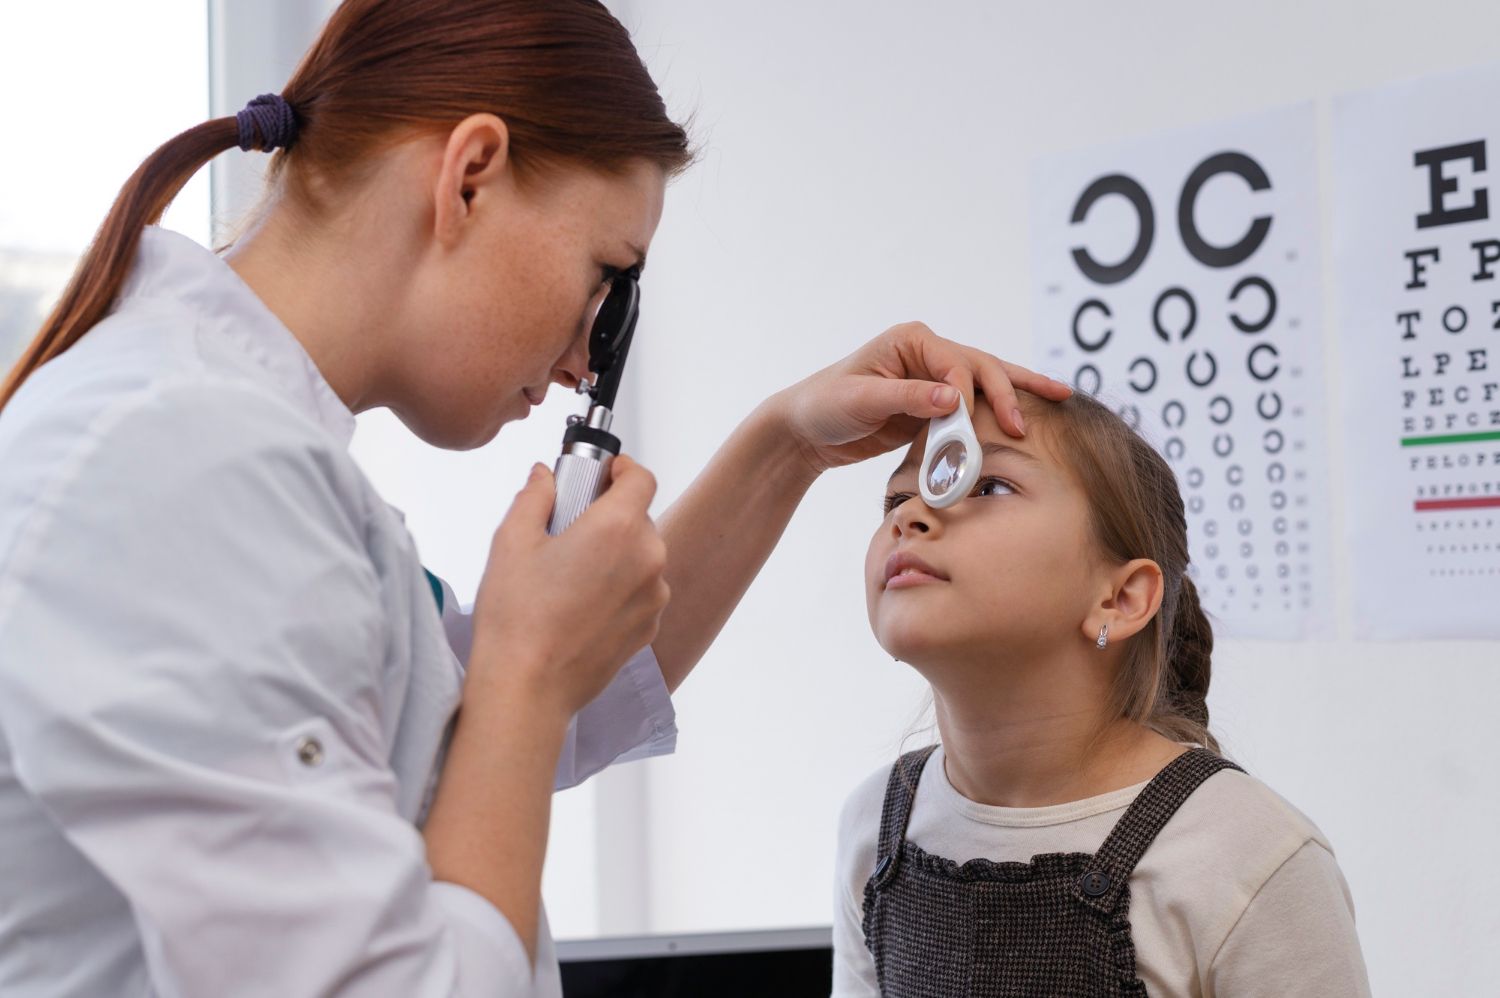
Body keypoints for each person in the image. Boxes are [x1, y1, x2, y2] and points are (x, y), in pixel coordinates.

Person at [0, 1, 1070, 995]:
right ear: (469, 175)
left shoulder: (251, 458)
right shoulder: (179, 462)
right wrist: (523, 667)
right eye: (609, 277)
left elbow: (499, 744)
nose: (586, 360)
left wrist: (785, 443)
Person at [832, 389, 1371, 997]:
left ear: (1121, 598)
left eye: (990, 487)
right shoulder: (875, 826)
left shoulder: (1251, 855)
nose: (911, 515)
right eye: (898, 497)